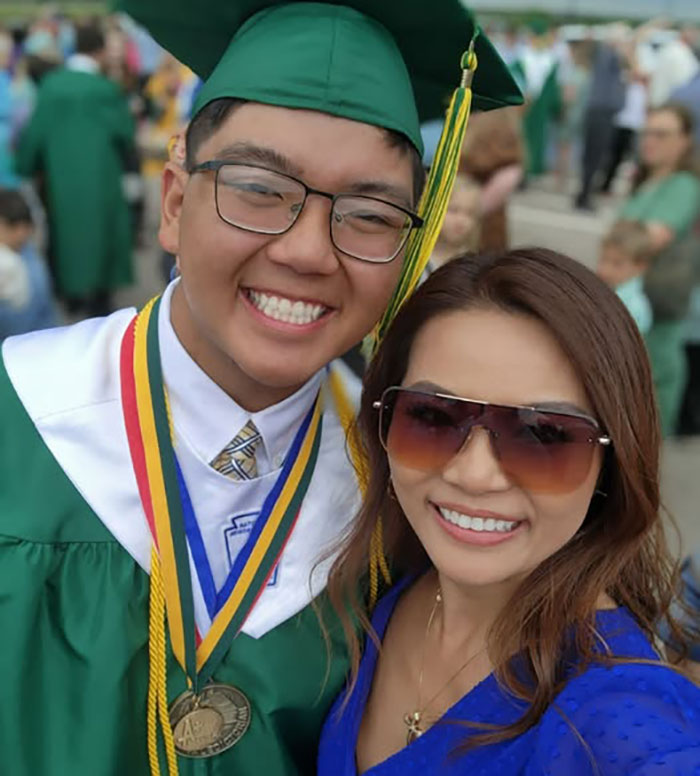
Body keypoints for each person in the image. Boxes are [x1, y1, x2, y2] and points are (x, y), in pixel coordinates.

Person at [0, 1, 521, 774]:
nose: (309, 252)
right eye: (258, 188)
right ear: (174, 204)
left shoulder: (403, 487)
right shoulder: (20, 422)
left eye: (371, 213)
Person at [318, 249, 700, 775]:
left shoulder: (619, 718)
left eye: (543, 434)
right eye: (431, 415)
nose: (474, 474)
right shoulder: (381, 584)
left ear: (613, 463)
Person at [15, 21, 135, 317]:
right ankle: (100, 296)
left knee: (66, 233)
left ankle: (71, 294)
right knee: (102, 230)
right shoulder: (106, 88)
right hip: (102, 176)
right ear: (100, 50)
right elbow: (126, 133)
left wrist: (25, 166)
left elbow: (35, 133)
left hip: (61, 176)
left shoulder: (52, 85)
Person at [619, 103, 700, 436]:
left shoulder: (682, 185)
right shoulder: (649, 179)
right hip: (639, 310)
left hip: (658, 311)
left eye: (662, 134)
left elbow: (647, 239)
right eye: (647, 133)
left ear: (684, 141)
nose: (650, 141)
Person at [574, 28, 626, 210]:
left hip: (602, 112)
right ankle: (584, 196)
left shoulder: (606, 56)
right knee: (594, 157)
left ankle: (584, 194)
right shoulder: (607, 55)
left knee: (594, 156)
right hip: (601, 112)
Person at [0, 187, 58, 339]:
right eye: (12, 226)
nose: (21, 234)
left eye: (26, 227)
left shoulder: (31, 261)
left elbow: (46, 315)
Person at [597, 220, 653, 335]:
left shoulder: (634, 308)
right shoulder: (603, 290)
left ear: (640, 266)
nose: (605, 270)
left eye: (617, 264)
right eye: (603, 259)